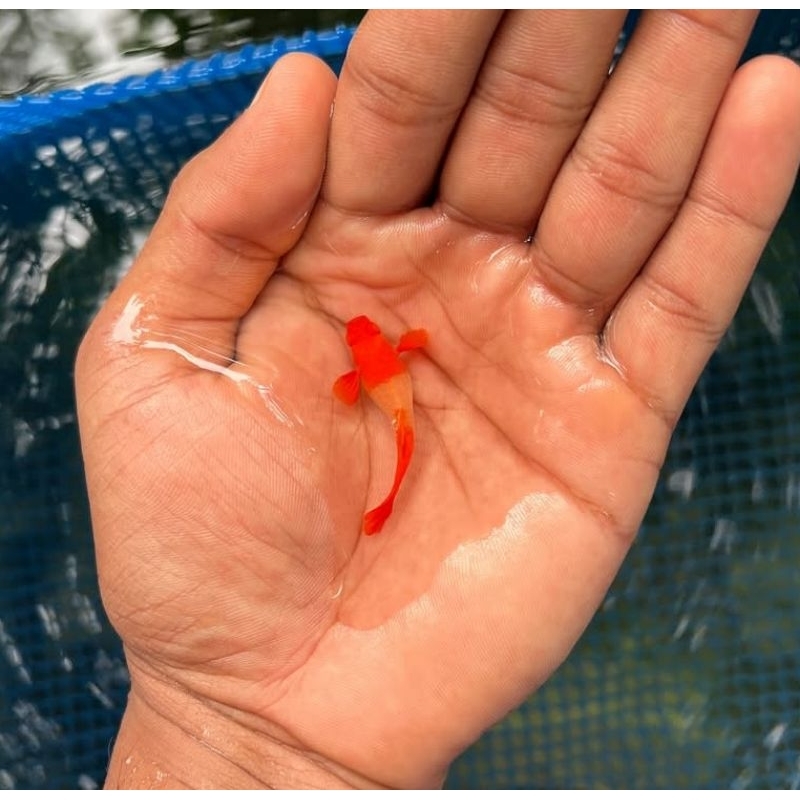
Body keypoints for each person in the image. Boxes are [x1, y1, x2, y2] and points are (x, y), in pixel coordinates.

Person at [75, 10, 800, 789]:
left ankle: (385, 503)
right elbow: (401, 353)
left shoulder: (371, 370)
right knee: (402, 438)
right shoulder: (380, 366)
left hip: (394, 400)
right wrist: (232, 730)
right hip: (395, 398)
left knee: (403, 437)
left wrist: (230, 743)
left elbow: (387, 365)